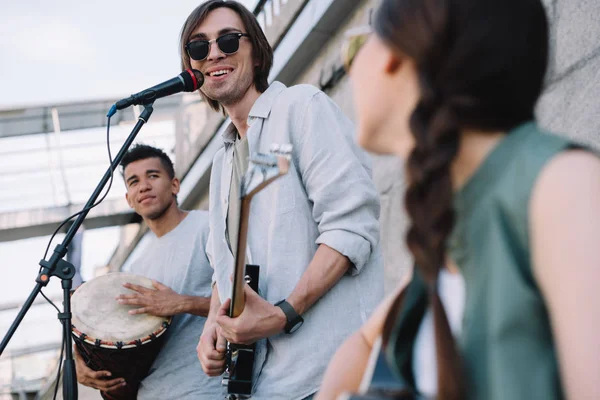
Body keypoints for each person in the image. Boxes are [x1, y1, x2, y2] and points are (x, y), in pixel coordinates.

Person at [318, 0, 600, 399]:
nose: (353, 72)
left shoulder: (562, 184)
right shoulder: (443, 240)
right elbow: (364, 344)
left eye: (355, 51)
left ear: (398, 56)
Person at [179, 1, 384, 399]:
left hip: (331, 374)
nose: (215, 53)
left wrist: (283, 312)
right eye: (199, 47)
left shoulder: (301, 108)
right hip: (267, 385)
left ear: (255, 51)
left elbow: (350, 227)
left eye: (227, 39)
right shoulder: (224, 161)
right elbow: (226, 266)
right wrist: (211, 329)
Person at [74, 144, 223, 399]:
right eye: (134, 181)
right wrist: (81, 361)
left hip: (204, 390)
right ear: (129, 199)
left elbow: (247, 300)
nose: (143, 186)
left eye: (153, 176)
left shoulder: (209, 227)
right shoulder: (135, 269)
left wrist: (181, 303)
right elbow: (112, 335)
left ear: (174, 185)